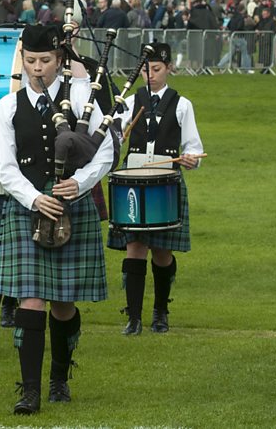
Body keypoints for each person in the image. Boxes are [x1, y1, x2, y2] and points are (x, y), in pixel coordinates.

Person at [0, 24, 114, 415]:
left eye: (45, 60)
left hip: (71, 201)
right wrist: (34, 199)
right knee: (30, 297)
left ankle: (59, 376)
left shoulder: (80, 97)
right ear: (22, 59)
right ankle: (29, 390)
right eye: (30, 60)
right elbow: (6, 168)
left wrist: (80, 183)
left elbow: (106, 150)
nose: (37, 68)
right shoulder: (7, 106)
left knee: (63, 303)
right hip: (28, 204)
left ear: (59, 60)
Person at [109, 43, 204, 334]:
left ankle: (161, 311)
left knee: (162, 252)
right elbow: (112, 138)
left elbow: (194, 148)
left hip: (166, 182)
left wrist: (191, 159)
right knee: (135, 248)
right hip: (133, 180)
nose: (150, 75)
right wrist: (116, 137)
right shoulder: (129, 102)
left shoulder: (182, 104)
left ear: (169, 68)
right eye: (145, 70)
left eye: (156, 69)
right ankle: (134, 317)